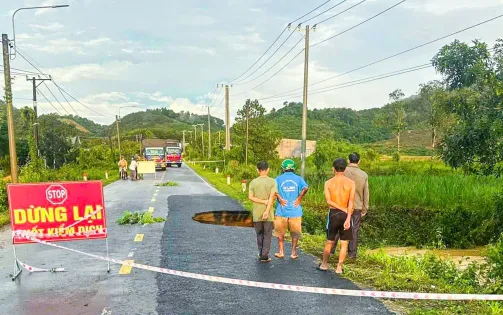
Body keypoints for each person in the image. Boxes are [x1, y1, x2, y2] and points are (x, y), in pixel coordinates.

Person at [318, 158, 355, 274]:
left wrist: (340, 208)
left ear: (333, 168)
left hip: (334, 214)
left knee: (329, 241)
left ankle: (324, 264)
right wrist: (348, 217)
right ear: (345, 168)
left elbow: (329, 201)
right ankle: (339, 267)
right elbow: (351, 202)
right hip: (346, 213)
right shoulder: (351, 183)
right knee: (344, 242)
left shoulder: (328, 183)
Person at [331, 152, 369, 258]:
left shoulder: (342, 171)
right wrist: (365, 208)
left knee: (337, 227)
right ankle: (352, 254)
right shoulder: (364, 175)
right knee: (354, 229)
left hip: (341, 205)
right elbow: (366, 193)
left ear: (348, 161)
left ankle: (330, 249)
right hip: (356, 206)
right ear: (359, 161)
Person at [274, 159, 308, 260]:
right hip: (295, 210)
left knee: (280, 233)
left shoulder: (278, 178)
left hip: (281, 210)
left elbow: (273, 190)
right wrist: (299, 199)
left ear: (283, 168)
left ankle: (281, 252)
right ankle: (293, 253)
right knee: (295, 233)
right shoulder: (298, 178)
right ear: (293, 168)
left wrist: (280, 198)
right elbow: (305, 188)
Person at [248, 161, 277, 263]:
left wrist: (261, 201)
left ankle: (260, 253)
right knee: (267, 234)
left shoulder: (253, 182)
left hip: (256, 213)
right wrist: (267, 210)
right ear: (268, 169)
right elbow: (272, 197)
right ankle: (265, 256)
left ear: (257, 170)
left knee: (259, 234)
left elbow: (250, 197)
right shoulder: (272, 181)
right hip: (268, 214)